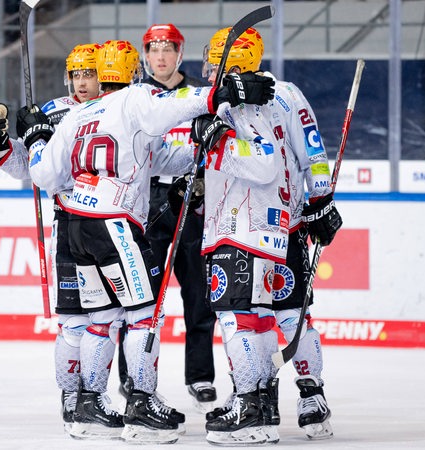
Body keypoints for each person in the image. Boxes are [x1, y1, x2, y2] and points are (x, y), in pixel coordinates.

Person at [23, 39, 274, 444]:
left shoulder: (79, 115)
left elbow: (46, 176)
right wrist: (219, 94)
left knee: (100, 320)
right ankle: (141, 405)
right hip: (114, 225)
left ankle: (88, 406)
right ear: (135, 74)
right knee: (143, 316)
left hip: (77, 229)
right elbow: (173, 107)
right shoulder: (136, 100)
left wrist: (36, 139)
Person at [199, 26, 342, 444]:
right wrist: (321, 202)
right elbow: (312, 151)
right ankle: (309, 400)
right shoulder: (288, 92)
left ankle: (253, 405)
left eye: (218, 60)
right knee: (286, 315)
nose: (210, 69)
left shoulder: (234, 105)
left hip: (242, 227)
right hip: (289, 224)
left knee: (243, 317)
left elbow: (255, 161)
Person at [0, 43, 124, 439]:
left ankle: (96, 397)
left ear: (104, 75)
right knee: (74, 323)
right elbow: (24, 166)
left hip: (111, 225)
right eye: (76, 74)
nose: (82, 82)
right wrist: (1, 146)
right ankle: (72, 398)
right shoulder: (52, 111)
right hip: (68, 228)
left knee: (108, 321)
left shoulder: (120, 107)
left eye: (89, 74)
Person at [130, 22, 217, 410]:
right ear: (145, 55)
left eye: (168, 49)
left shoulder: (201, 93)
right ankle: (135, 378)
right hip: (147, 199)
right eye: (153, 50)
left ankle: (200, 377)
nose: (160, 57)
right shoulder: (133, 97)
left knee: (199, 294)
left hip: (193, 201)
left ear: (180, 53)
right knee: (139, 296)